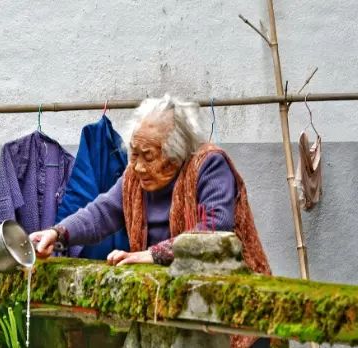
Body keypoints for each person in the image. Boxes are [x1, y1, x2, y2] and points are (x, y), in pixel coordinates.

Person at [30, 94, 273, 348]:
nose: (138, 167)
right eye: (133, 154)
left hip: (226, 310)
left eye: (148, 156)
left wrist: (154, 254)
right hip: (169, 309)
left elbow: (213, 228)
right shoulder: (135, 174)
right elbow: (102, 212)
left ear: (177, 155)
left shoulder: (209, 165)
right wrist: (57, 234)